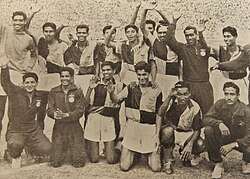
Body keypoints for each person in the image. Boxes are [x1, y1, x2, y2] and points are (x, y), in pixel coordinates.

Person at [107, 61, 162, 172]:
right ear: (136, 74)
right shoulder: (130, 88)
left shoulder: (156, 90)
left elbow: (159, 114)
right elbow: (116, 100)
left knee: (156, 168)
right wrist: (111, 93)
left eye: (144, 74)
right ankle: (135, 153)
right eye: (139, 74)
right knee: (124, 167)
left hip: (149, 128)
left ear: (149, 74)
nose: (142, 77)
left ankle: (148, 154)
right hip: (132, 127)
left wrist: (157, 135)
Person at [0, 55, 52, 169]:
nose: (30, 85)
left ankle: (31, 149)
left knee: (47, 148)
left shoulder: (40, 96)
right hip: (16, 129)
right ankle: (14, 155)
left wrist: (40, 133)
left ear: (36, 83)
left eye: (32, 82)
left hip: (32, 129)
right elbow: (5, 83)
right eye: (27, 83)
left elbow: (41, 116)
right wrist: (4, 67)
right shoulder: (16, 92)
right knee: (16, 145)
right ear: (23, 84)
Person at [165, 15, 213, 115]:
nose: (189, 37)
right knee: (189, 113)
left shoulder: (203, 48)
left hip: (204, 85)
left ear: (196, 35)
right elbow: (169, 39)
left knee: (207, 112)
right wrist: (173, 22)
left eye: (192, 35)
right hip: (189, 85)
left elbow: (205, 47)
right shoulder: (183, 48)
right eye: (187, 35)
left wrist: (201, 33)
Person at [203, 82, 250, 178]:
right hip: (223, 137)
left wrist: (234, 144)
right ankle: (218, 162)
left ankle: (246, 161)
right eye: (226, 94)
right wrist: (219, 123)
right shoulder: (220, 104)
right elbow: (205, 119)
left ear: (238, 95)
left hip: (239, 140)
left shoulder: (246, 110)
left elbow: (249, 135)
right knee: (208, 130)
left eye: (232, 94)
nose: (229, 97)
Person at [158, 81, 205, 174]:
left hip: (187, 133)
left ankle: (184, 153)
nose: (182, 97)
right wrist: (169, 96)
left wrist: (189, 145)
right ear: (175, 93)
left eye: (185, 94)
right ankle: (168, 160)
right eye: (179, 94)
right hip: (174, 131)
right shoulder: (171, 101)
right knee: (167, 132)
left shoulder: (195, 106)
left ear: (190, 94)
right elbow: (160, 113)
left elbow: (197, 130)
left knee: (200, 144)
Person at [84, 61, 125, 164]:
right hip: (94, 120)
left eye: (108, 70)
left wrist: (111, 93)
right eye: (104, 70)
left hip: (110, 120)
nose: (106, 72)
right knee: (94, 159)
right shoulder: (95, 83)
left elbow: (117, 103)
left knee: (111, 159)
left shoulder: (120, 85)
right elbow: (85, 105)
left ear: (114, 71)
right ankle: (91, 148)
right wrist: (90, 88)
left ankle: (119, 146)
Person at [47, 67, 86, 168]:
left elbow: (80, 111)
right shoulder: (54, 91)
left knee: (79, 163)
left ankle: (74, 150)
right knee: (55, 163)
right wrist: (54, 114)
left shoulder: (77, 91)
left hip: (74, 127)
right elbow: (49, 109)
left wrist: (66, 115)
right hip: (59, 127)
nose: (64, 78)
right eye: (62, 76)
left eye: (67, 76)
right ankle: (63, 150)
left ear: (72, 77)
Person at [210, 26, 248, 103]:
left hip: (240, 81)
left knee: (243, 106)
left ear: (235, 36)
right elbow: (204, 47)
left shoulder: (243, 51)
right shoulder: (220, 50)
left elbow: (235, 64)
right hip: (225, 81)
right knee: (222, 105)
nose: (226, 39)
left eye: (228, 36)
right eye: (224, 36)